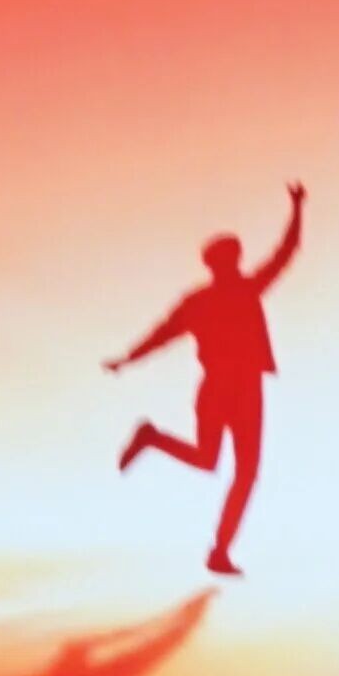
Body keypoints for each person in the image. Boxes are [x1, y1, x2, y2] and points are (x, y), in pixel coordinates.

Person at [107, 185, 301, 577]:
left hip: (226, 388)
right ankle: (219, 550)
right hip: (237, 388)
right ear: (224, 262)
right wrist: (297, 208)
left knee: (216, 462)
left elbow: (285, 253)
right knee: (237, 469)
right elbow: (285, 252)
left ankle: (219, 549)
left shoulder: (206, 299)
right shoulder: (235, 292)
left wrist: (128, 358)